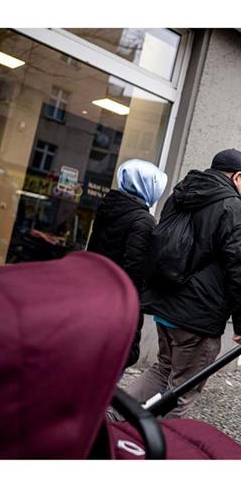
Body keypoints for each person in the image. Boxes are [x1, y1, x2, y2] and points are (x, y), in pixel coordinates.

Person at [125, 149, 241, 418]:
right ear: (237, 176)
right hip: (198, 317)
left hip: (165, 307)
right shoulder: (234, 206)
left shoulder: (180, 195)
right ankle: (156, 450)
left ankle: (109, 416)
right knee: (182, 391)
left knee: (162, 370)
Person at [87, 158, 168, 368]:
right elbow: (135, 270)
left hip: (94, 294)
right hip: (120, 305)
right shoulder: (143, 221)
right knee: (116, 359)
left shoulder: (108, 207)